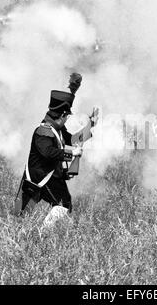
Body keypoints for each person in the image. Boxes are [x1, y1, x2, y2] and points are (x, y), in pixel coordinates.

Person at [14, 72, 97, 225]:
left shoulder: (57, 129)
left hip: (49, 177)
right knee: (21, 215)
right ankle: (42, 234)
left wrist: (90, 125)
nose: (67, 119)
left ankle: (40, 236)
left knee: (64, 204)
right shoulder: (43, 131)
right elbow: (48, 153)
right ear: (62, 115)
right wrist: (72, 152)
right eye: (66, 116)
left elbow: (72, 139)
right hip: (38, 178)